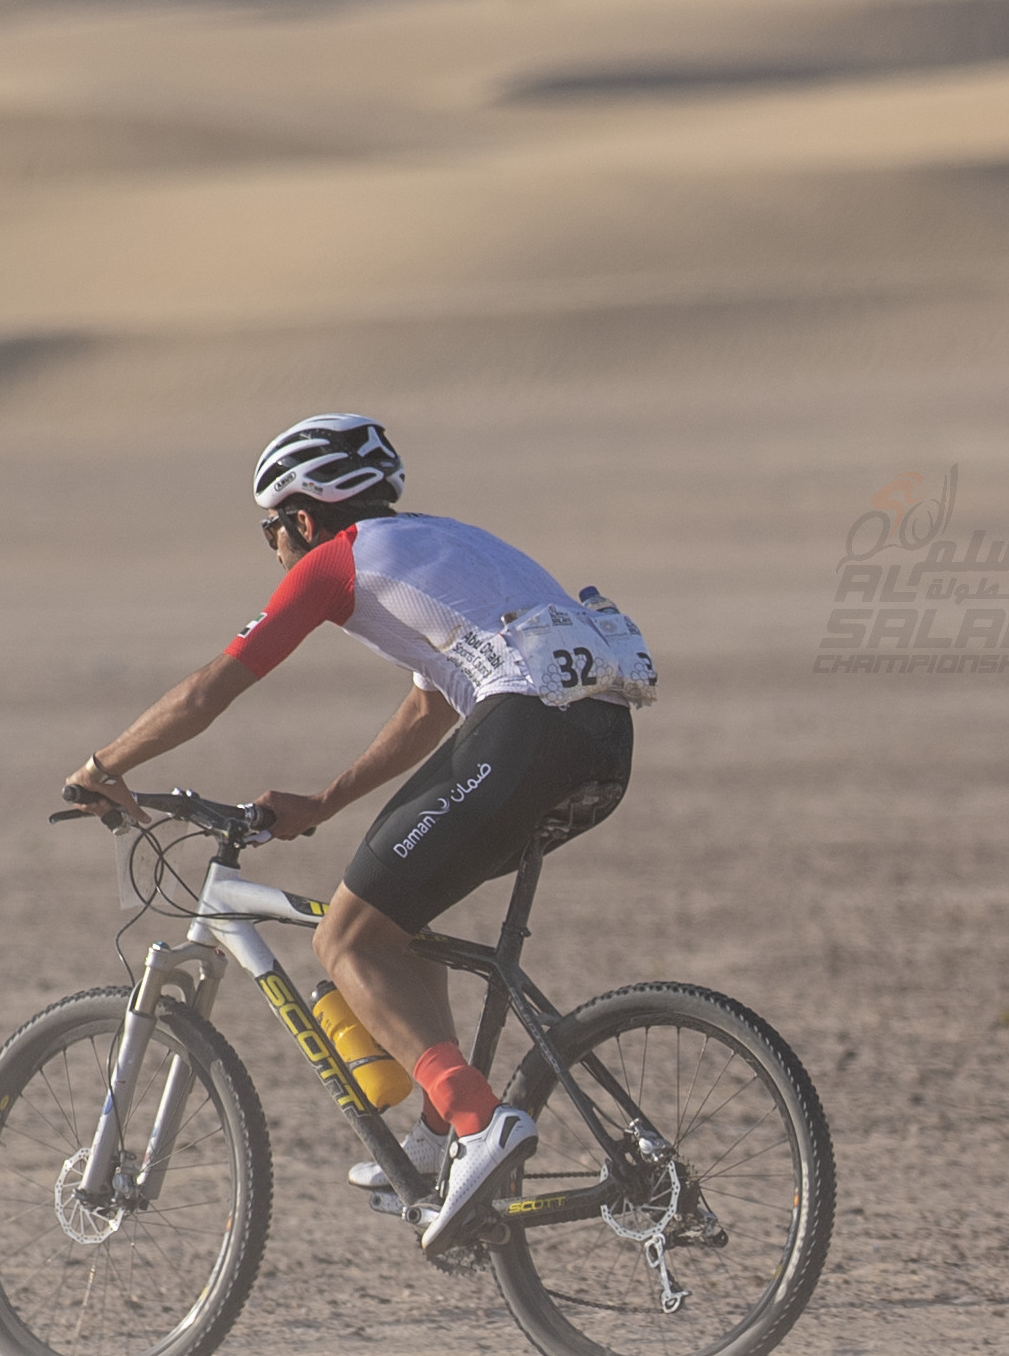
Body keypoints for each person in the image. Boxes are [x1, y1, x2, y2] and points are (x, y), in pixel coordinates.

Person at [64, 414, 652, 1239]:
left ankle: (479, 1123)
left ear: (303, 520)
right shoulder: (439, 543)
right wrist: (325, 802)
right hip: (602, 743)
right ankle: (439, 1138)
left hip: (526, 729)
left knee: (343, 941)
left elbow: (210, 690)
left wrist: (104, 765)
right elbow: (429, 705)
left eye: (271, 531)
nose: (274, 550)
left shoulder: (336, 561)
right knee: (397, 925)